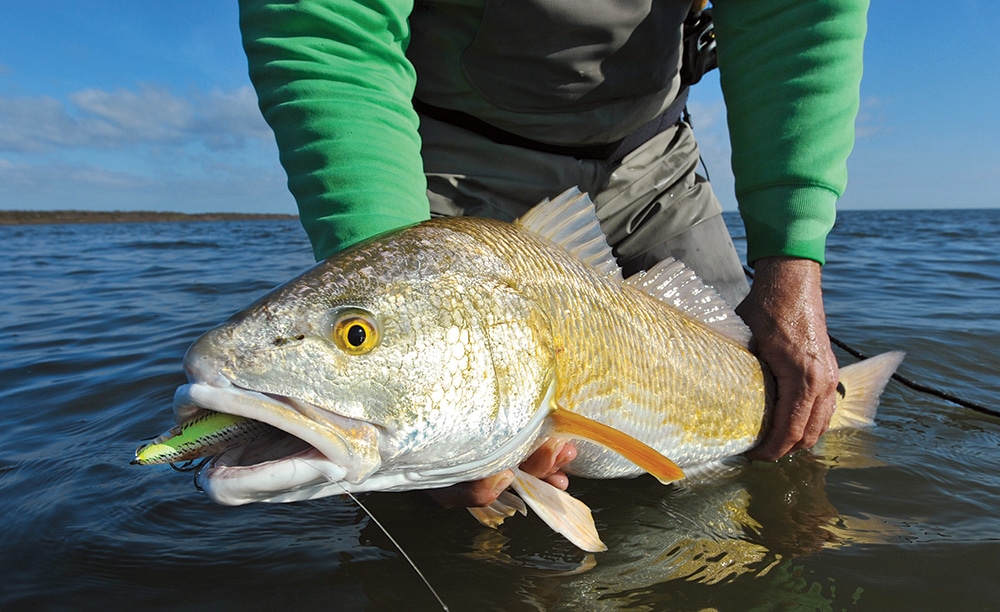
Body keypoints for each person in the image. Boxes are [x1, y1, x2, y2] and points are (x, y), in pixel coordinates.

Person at [237, 0, 868, 507]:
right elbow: (328, 26)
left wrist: (792, 260)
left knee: (784, 409)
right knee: (423, 486)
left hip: (653, 150)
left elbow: (799, 16)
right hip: (453, 148)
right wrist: (390, 271)